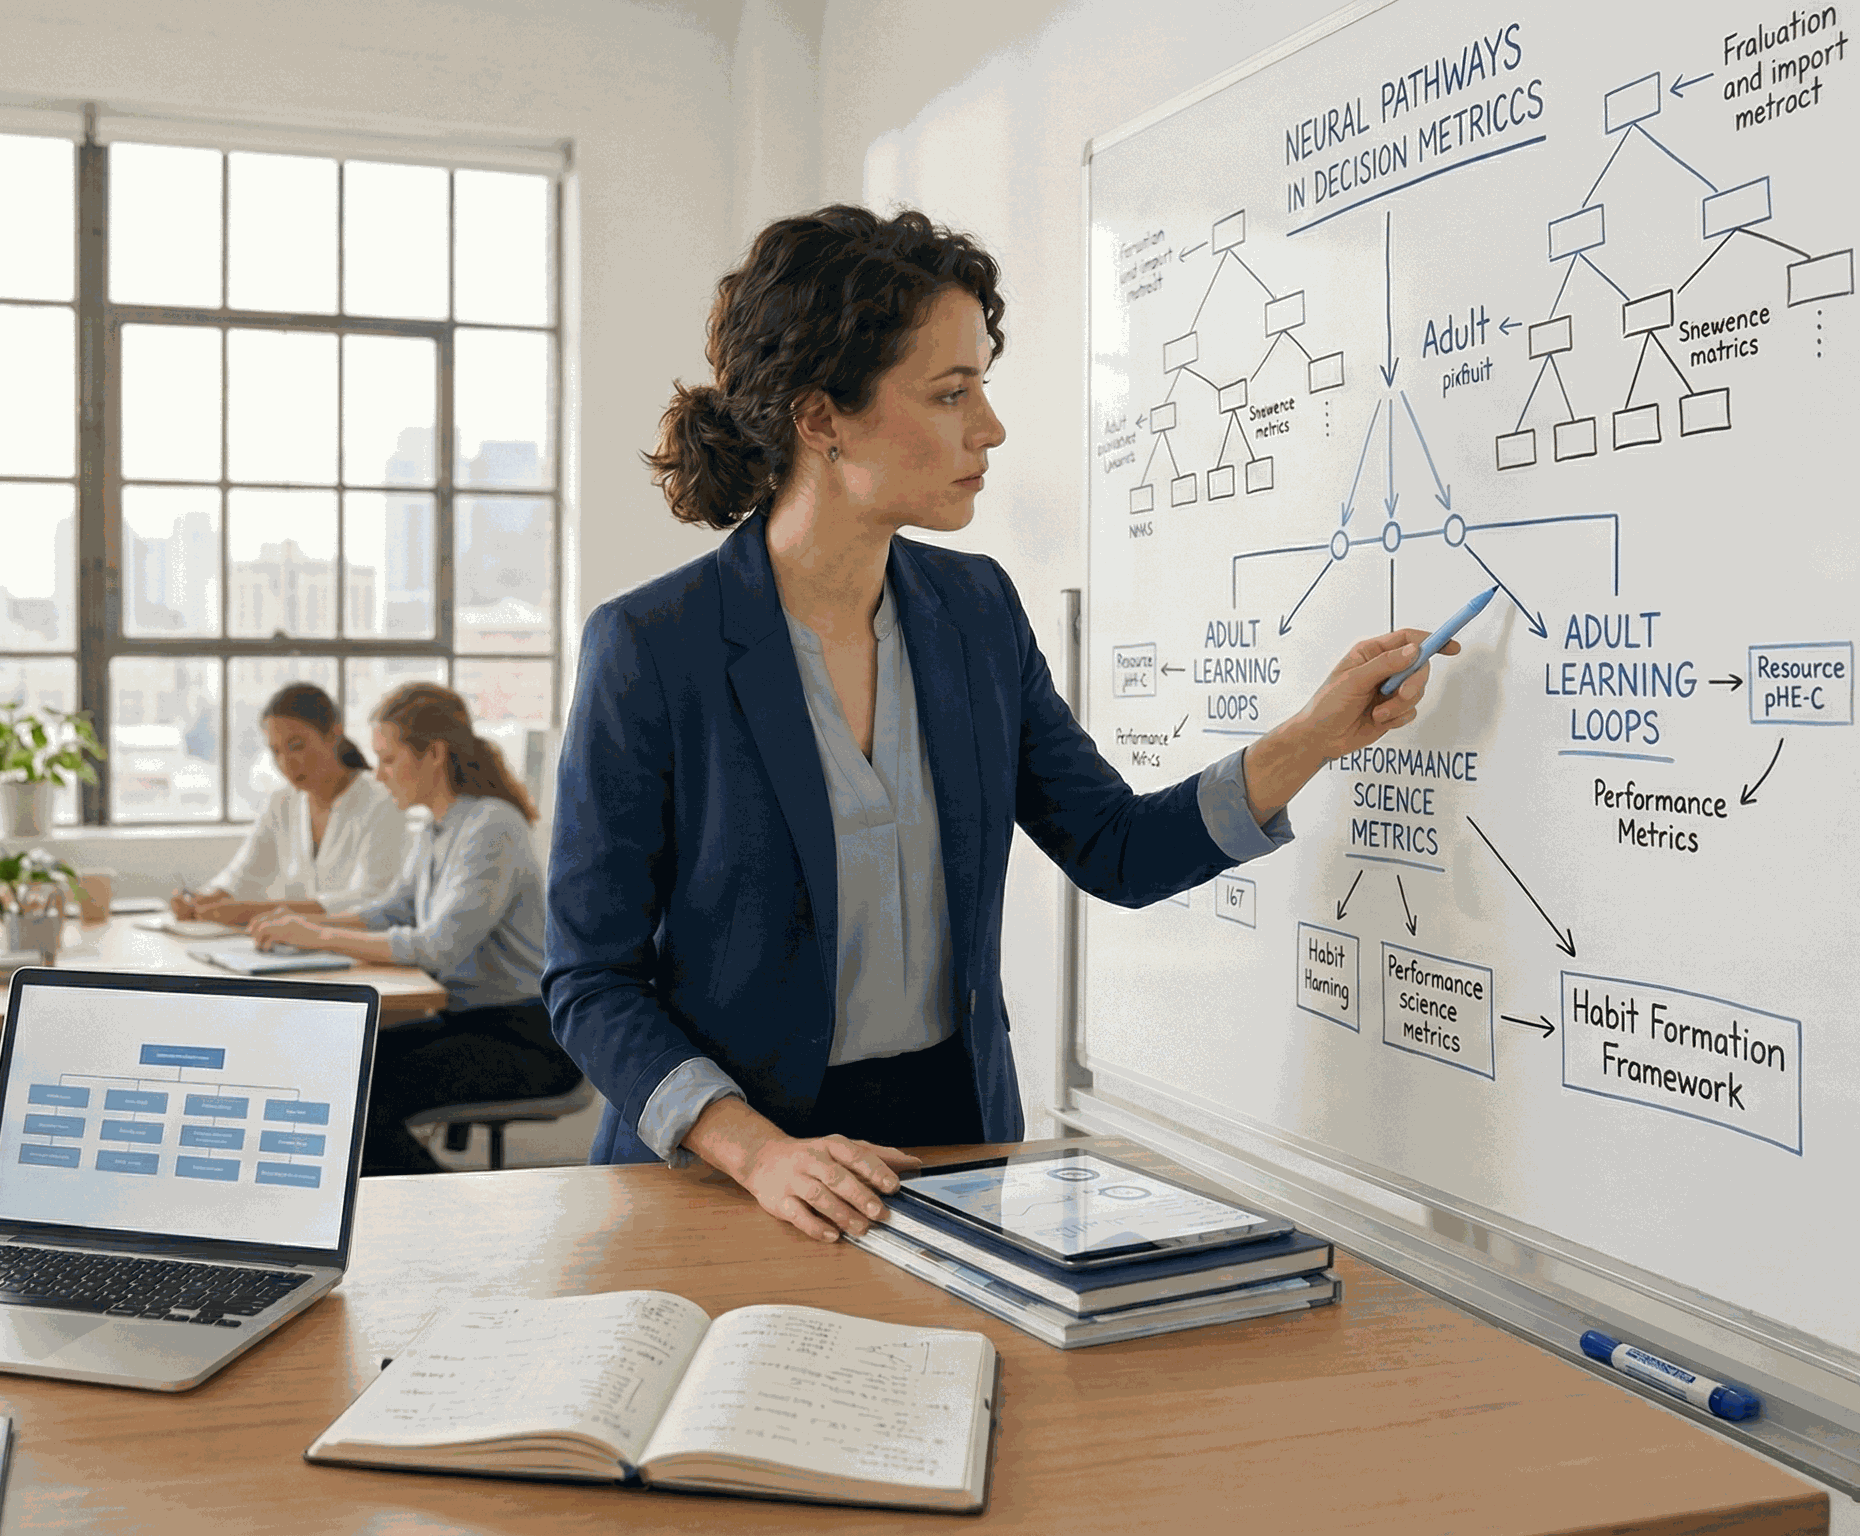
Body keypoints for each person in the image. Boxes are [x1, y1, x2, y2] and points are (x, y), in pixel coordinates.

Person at [544, 206, 1457, 1242]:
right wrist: (757, 1153)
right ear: (820, 418)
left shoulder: (974, 613)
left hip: (955, 1151)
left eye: (980, 384)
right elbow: (588, 978)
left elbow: (1117, 848)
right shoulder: (650, 645)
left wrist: (1313, 736)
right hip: (727, 1173)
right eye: (950, 392)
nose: (989, 427)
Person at [251, 683, 578, 1174]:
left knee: (364, 1099)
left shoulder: (492, 827)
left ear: (433, 754)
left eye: (387, 759)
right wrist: (300, 923)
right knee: (335, 1075)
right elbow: (391, 911)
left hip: (526, 1037)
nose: (377, 775)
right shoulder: (436, 827)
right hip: (469, 1021)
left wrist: (317, 936)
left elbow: (437, 947)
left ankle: (446, 1233)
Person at [172, 682, 406, 927]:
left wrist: (254, 912)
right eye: (275, 751)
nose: (287, 763)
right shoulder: (282, 803)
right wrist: (202, 900)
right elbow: (241, 877)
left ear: (334, 734)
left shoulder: (382, 801)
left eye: (297, 746)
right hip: (294, 948)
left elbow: (372, 898)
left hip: (358, 950)